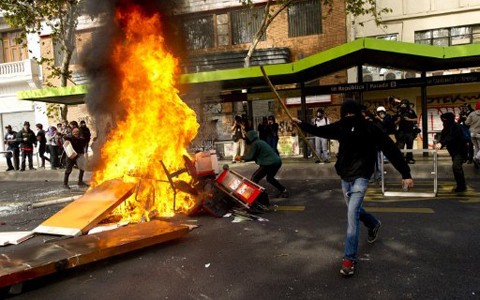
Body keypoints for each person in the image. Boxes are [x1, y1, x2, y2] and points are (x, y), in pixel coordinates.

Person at [292, 100, 414, 277]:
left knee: (351, 216)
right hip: (345, 176)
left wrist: (406, 173)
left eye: (351, 114)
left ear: (356, 113)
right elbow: (321, 131)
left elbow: (390, 149)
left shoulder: (371, 128)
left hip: (362, 176)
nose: (349, 117)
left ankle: (349, 259)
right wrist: (301, 124)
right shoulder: (341, 126)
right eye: (346, 114)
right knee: (353, 210)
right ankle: (373, 223)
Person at [236, 130, 288, 198]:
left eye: (246, 138)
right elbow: (253, 157)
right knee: (270, 178)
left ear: (251, 137)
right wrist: (244, 158)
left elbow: (250, 156)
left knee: (255, 178)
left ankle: (253, 196)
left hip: (269, 163)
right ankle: (284, 190)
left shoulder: (255, 143)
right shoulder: (260, 142)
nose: (246, 140)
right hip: (276, 161)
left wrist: (240, 157)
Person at [435, 112, 468, 192]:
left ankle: (461, 186)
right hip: (454, 151)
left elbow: (451, 136)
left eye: (445, 120)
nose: (443, 122)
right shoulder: (446, 127)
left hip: (460, 150)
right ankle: (461, 185)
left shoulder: (456, 127)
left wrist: (441, 143)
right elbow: (444, 137)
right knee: (457, 168)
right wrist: (440, 143)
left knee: (456, 167)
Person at [394, 99, 418, 164]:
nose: (403, 105)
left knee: (409, 146)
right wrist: (398, 120)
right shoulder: (398, 111)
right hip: (401, 131)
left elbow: (416, 119)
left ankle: (409, 158)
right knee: (400, 146)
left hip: (409, 131)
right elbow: (394, 122)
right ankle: (401, 159)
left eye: (404, 104)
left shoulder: (411, 111)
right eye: (402, 104)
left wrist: (409, 119)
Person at [465, 101, 480, 169]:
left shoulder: (472, 114)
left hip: (471, 133)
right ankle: (476, 158)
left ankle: (476, 162)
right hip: (479, 133)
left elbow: (467, 123)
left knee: (476, 147)